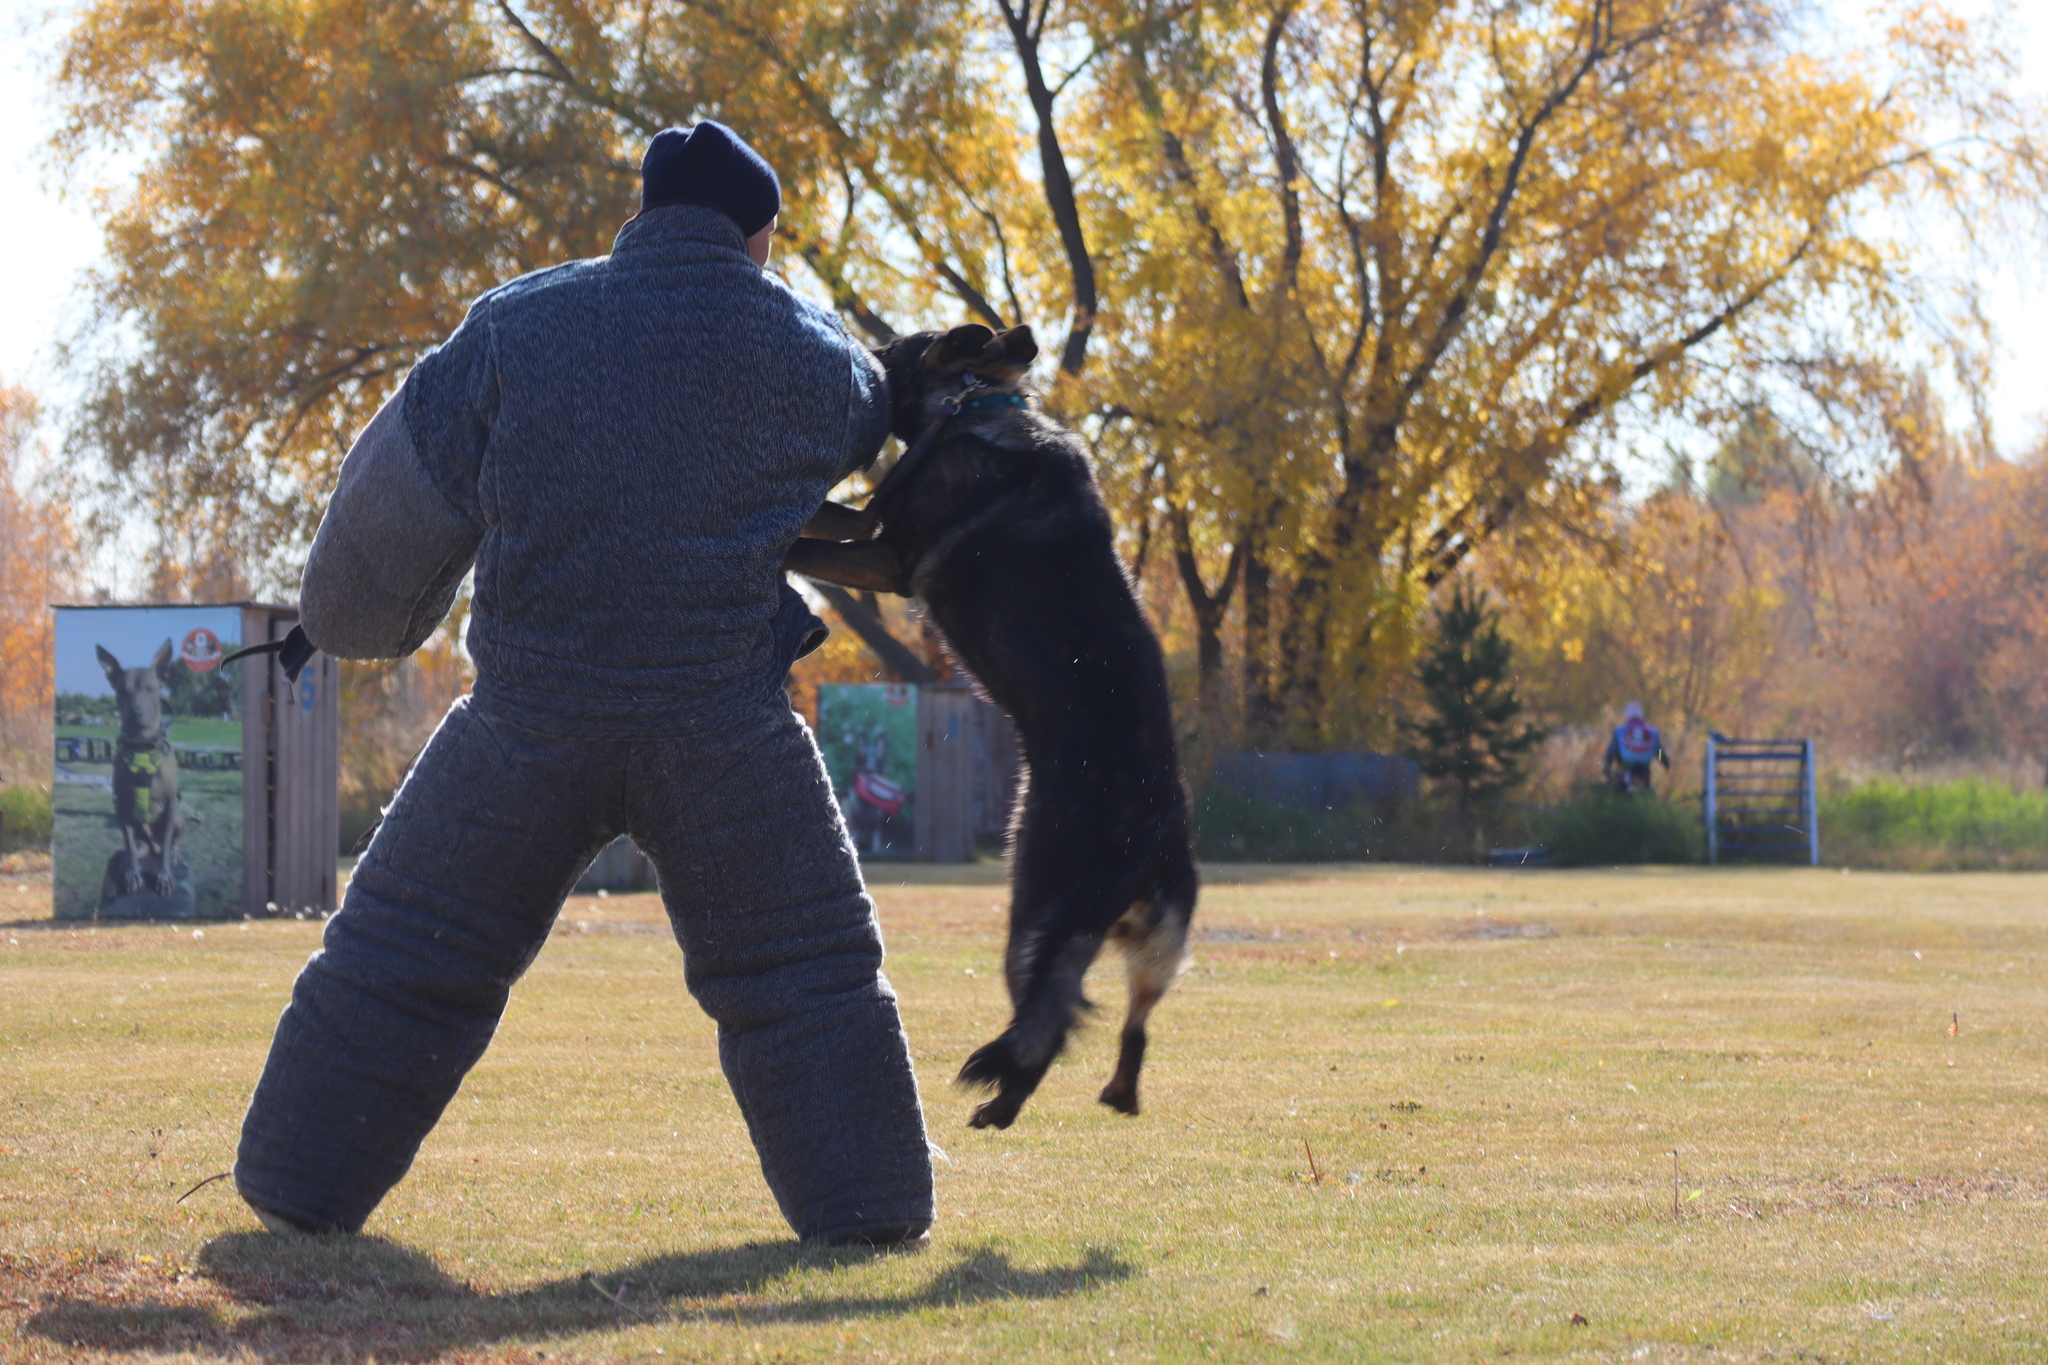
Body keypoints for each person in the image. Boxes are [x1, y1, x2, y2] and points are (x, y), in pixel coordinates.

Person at [232, 123, 935, 1247]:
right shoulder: (813, 354)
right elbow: (873, 418)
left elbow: (391, 507)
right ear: (759, 236)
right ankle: (868, 1209)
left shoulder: (518, 326)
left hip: (524, 726)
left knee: (405, 956)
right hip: (724, 730)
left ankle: (296, 1184)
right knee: (804, 974)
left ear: (645, 214)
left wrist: (346, 622)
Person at [1603, 701, 1670, 795]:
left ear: (1626, 717)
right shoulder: (1653, 732)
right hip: (1644, 769)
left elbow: (1611, 752)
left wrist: (1607, 767)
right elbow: (1659, 751)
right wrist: (1664, 764)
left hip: (1625, 766)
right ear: (1642, 716)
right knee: (1645, 793)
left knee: (1620, 792)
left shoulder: (1619, 731)